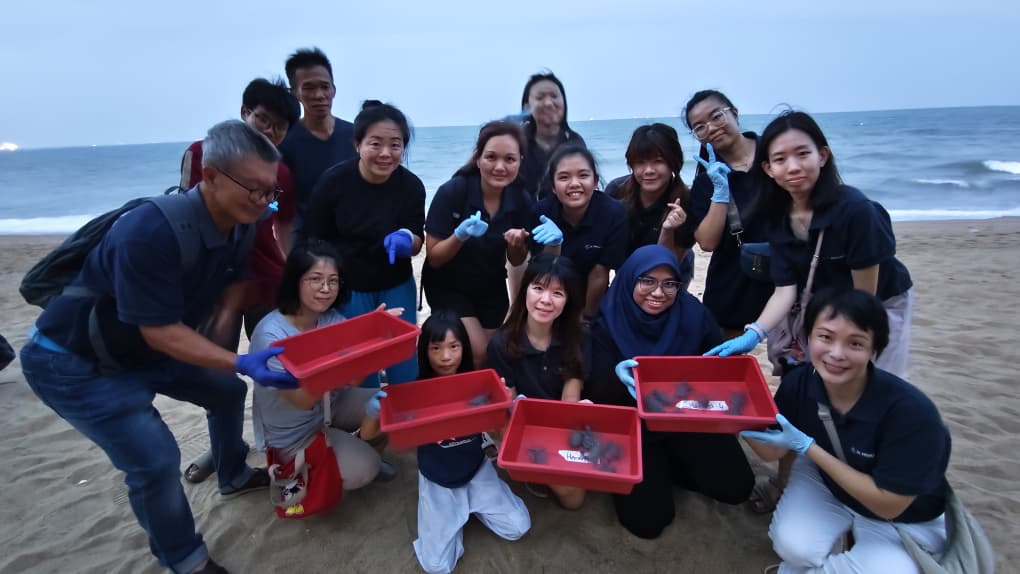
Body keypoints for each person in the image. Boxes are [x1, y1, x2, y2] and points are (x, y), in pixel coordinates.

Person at [20, 120, 297, 574]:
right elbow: (160, 332)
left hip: (141, 348)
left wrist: (227, 319)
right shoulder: (149, 231)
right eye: (253, 188)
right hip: (72, 361)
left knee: (226, 391)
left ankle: (232, 474)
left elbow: (232, 283)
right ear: (209, 175)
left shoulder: (243, 223)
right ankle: (184, 560)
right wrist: (239, 359)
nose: (263, 200)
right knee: (155, 459)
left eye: (272, 191)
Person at [741, 289, 949, 573]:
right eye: (825, 337)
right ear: (808, 337)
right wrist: (735, 416)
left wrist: (808, 447)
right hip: (831, 487)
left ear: (875, 348)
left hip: (901, 517)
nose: (836, 354)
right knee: (793, 547)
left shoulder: (911, 413)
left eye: (855, 343)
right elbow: (773, 450)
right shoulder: (800, 384)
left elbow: (889, 506)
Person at [706, 111, 914, 379]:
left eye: (803, 154)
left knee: (870, 378)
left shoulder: (857, 211)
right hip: (822, 300)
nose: (793, 167)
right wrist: (754, 333)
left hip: (877, 302)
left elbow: (864, 299)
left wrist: (839, 341)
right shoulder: (775, 214)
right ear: (768, 168)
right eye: (780, 159)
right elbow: (784, 290)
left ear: (822, 156)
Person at [178, 77, 299, 484]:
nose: (269, 130)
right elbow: (184, 210)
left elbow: (285, 229)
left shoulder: (281, 169)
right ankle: (225, 450)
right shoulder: (202, 153)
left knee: (276, 366)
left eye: (279, 127)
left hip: (264, 281)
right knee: (219, 376)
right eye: (263, 119)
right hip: (214, 286)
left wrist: (293, 273)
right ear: (245, 112)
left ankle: (273, 442)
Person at [588, 245, 755, 539]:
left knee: (736, 488)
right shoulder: (608, 322)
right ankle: (657, 470)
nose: (658, 292)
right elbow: (600, 395)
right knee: (647, 523)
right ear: (629, 280)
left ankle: (672, 467)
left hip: (687, 420)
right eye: (647, 281)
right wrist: (622, 380)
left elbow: (718, 374)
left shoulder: (694, 315)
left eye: (669, 283)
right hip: (635, 429)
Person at [249, 240, 395, 493]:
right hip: (292, 432)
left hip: (329, 406)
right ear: (295, 280)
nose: (326, 289)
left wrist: (372, 341)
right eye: (315, 279)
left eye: (334, 281)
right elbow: (301, 401)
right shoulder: (270, 336)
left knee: (391, 404)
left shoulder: (331, 319)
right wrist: (347, 354)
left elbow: (353, 381)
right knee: (365, 468)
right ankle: (309, 468)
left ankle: (355, 446)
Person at [304, 101, 425, 387]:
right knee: (361, 367)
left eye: (395, 145)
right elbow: (312, 241)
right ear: (357, 144)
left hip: (396, 282)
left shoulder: (411, 186)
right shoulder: (333, 182)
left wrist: (407, 239)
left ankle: (403, 426)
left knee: (403, 363)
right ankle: (368, 427)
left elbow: (419, 239)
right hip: (350, 287)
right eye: (376, 143)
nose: (386, 153)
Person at [423, 120, 562, 369]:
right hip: (448, 285)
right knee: (476, 351)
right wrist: (460, 235)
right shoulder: (453, 192)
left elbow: (517, 260)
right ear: (478, 159)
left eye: (509, 159)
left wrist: (517, 244)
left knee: (493, 354)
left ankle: (484, 401)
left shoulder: (520, 198)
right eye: (491, 157)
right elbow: (434, 257)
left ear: (520, 162)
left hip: (490, 285)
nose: (500, 166)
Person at [412, 312, 531, 574]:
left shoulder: (480, 383)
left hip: (475, 469)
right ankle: (452, 515)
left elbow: (501, 427)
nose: (446, 357)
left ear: (464, 348)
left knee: (518, 527)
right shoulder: (416, 392)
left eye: (454, 346)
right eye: (436, 348)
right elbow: (406, 433)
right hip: (439, 478)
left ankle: (475, 504)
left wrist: (506, 404)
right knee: (437, 566)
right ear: (425, 350)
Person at [487, 253, 588, 509]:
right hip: (523, 421)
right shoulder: (502, 343)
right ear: (525, 292)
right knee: (570, 495)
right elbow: (506, 407)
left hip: (558, 422)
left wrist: (563, 442)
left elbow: (570, 400)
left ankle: (542, 471)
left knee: (574, 499)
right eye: (538, 288)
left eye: (557, 293)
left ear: (568, 301)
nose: (545, 300)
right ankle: (528, 470)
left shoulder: (577, 336)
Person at [682, 90, 775, 339]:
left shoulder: (776, 155)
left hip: (787, 274)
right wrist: (720, 190)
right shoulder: (706, 181)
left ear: (734, 113)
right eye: (699, 127)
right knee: (722, 361)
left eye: (716, 117)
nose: (711, 128)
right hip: (734, 282)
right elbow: (707, 242)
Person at [533, 145, 628, 320]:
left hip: (592, 294)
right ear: (553, 186)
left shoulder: (613, 213)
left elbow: (600, 273)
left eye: (583, 175)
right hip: (551, 292)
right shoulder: (541, 213)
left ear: (595, 181)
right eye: (564, 177)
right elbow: (540, 268)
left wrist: (586, 317)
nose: (574, 184)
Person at [604, 123, 695, 291]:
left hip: (670, 279)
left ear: (674, 163)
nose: (648, 170)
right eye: (640, 162)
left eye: (658, 161)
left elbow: (667, 266)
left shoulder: (686, 202)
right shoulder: (616, 192)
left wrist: (667, 230)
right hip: (627, 272)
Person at [279, 47, 356, 232]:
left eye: (324, 86)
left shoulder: (356, 135)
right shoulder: (286, 142)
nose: (319, 95)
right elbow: (281, 209)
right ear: (294, 93)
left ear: (334, 89)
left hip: (353, 239)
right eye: (309, 88)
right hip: (308, 243)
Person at [517, 71, 586, 201]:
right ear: (527, 106)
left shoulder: (575, 142)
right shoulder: (516, 143)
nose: (548, 103)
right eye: (540, 97)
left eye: (554, 96)